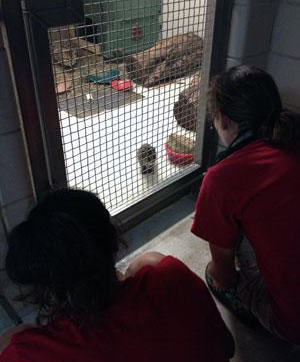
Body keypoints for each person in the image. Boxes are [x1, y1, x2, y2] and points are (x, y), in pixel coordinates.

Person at [0, 188, 234, 362]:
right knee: (149, 260)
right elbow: (226, 347)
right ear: (113, 241)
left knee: (11, 336)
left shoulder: (25, 353)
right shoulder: (172, 277)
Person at [192, 65, 300, 343]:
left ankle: (256, 309)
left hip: (292, 323)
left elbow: (224, 275)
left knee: (216, 271)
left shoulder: (222, 177)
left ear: (223, 120)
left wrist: (223, 276)